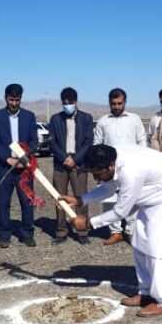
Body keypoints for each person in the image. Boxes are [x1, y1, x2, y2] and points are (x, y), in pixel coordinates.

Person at [61, 145, 162, 317]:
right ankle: (146, 293)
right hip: (156, 198)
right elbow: (110, 187)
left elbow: (121, 211)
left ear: (110, 166)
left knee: (158, 249)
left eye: (97, 173)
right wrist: (81, 199)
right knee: (140, 241)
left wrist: (89, 223)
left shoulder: (131, 171)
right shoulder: (115, 163)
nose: (95, 177)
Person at [93, 87, 147, 245]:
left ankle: (130, 230)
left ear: (125, 102)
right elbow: (97, 144)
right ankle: (115, 232)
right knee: (110, 200)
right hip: (108, 169)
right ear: (109, 103)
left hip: (130, 167)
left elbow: (142, 140)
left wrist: (141, 161)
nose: (116, 106)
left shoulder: (134, 119)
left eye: (119, 103)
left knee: (131, 199)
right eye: (113, 103)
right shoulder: (103, 121)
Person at [0, 83, 39, 248]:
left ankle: (27, 233)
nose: (14, 103)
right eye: (11, 100)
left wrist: (24, 158)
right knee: (3, 202)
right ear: (5, 98)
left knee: (27, 201)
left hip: (24, 168)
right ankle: (4, 235)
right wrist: (7, 159)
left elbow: (34, 141)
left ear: (21, 99)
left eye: (17, 100)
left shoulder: (29, 116)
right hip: (3, 167)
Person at [47, 87, 94, 245]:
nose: (67, 105)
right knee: (60, 198)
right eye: (64, 103)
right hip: (60, 164)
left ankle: (82, 230)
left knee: (80, 198)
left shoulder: (86, 118)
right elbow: (52, 142)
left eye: (70, 102)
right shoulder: (55, 119)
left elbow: (88, 141)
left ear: (75, 102)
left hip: (79, 164)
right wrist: (64, 158)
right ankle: (61, 231)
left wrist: (75, 158)